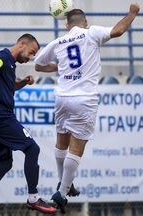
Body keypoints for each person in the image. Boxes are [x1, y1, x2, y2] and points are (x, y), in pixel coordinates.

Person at [34, 3, 140, 213]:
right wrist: (132, 13)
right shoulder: (91, 33)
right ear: (85, 22)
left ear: (66, 26)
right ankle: (62, 193)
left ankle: (63, 182)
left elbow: (38, 64)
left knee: (61, 142)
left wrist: (57, 67)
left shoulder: (59, 41)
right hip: (84, 99)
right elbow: (118, 31)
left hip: (62, 97)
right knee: (76, 148)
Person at [0, 34, 57, 215]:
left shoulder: (11, 64)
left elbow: (9, 85)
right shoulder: (3, 56)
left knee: (4, 163)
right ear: (22, 44)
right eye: (31, 52)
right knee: (32, 148)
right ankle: (33, 198)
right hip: (1, 117)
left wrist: (22, 82)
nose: (31, 58)